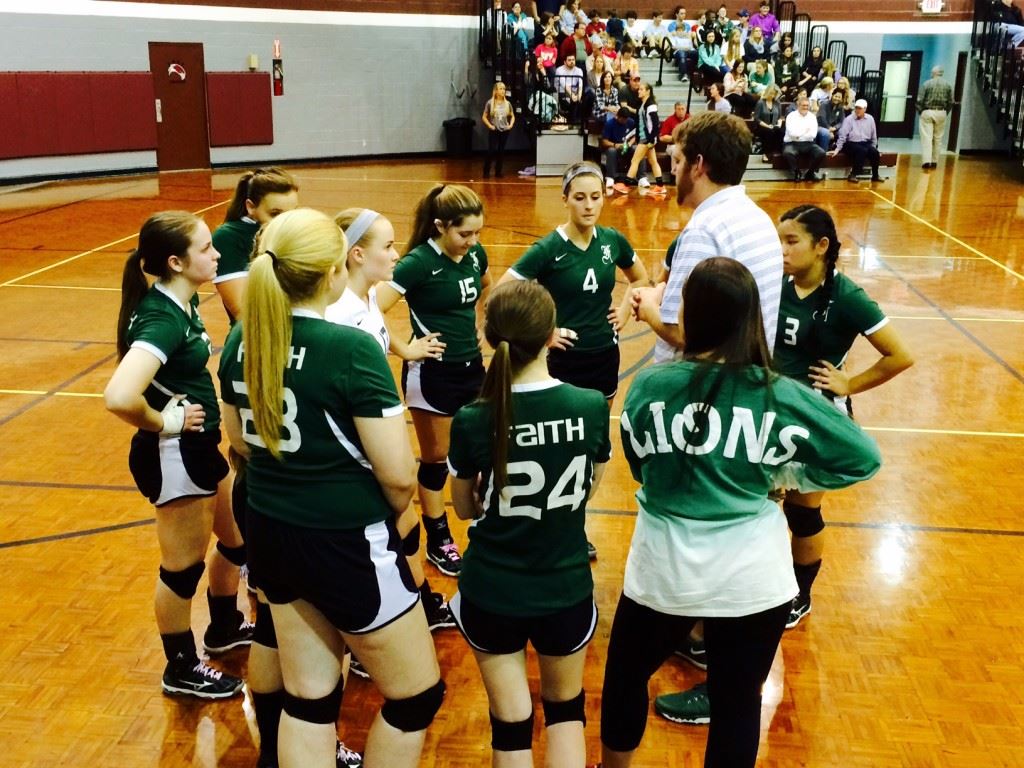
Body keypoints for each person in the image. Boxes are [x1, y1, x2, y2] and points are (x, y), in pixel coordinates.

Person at [601, 257, 882, 767]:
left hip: (664, 570)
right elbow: (862, 457)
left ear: (694, 314)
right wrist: (787, 477)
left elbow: (641, 468)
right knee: (736, 705)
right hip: (753, 578)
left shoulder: (649, 387)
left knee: (625, 678)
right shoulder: (780, 393)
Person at [218, 208, 444, 768]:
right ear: (334, 272)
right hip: (347, 540)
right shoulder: (350, 349)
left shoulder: (243, 337)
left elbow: (238, 443)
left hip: (271, 528)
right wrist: (398, 520)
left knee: (310, 698)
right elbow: (397, 474)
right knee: (417, 695)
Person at [447, 280, 611, 768]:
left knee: (511, 722)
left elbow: (463, 509)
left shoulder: (473, 418)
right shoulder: (589, 405)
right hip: (564, 586)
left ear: (488, 336)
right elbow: (588, 488)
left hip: (492, 590)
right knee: (566, 712)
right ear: (550, 337)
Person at [103, 211, 244, 700]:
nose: (217, 254)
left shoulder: (181, 303)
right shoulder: (163, 319)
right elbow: (120, 395)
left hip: (198, 446)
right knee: (181, 569)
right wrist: (167, 421)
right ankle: (180, 667)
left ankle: (224, 627)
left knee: (237, 538)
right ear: (175, 261)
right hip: (173, 452)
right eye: (207, 249)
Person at [501, 161, 649, 556]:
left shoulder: (612, 241)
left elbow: (642, 280)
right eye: (580, 197)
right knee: (557, 444)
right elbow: (502, 295)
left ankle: (573, 522)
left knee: (593, 444)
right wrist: (544, 332)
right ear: (565, 199)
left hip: (603, 356)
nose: (588, 206)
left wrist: (627, 306)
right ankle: (540, 521)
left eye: (596, 197)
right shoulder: (548, 249)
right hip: (560, 364)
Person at [774, 205, 913, 628]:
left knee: (800, 512)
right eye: (779, 240)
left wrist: (849, 384)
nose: (781, 250)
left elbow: (900, 355)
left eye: (791, 241)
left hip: (816, 417)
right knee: (760, 505)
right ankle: (764, 586)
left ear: (821, 247)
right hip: (772, 409)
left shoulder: (846, 296)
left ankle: (800, 595)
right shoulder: (774, 284)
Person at [325, 208, 455, 637]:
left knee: (404, 521)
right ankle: (382, 621)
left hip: (380, 429)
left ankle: (416, 596)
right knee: (391, 524)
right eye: (389, 246)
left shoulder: (364, 296)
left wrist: (407, 349)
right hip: (358, 441)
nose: (397, 253)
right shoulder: (338, 311)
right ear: (358, 254)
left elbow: (379, 333)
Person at [375, 185, 491, 578]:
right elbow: (368, 308)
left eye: (477, 233)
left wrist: (480, 322)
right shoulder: (419, 263)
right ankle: (439, 537)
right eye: (464, 234)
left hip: (472, 367)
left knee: (479, 448)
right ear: (440, 226)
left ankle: (482, 525)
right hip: (433, 372)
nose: (472, 242)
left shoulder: (474, 254)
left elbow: (486, 287)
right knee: (437, 457)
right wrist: (406, 349)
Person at [631, 109, 783, 373]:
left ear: (699, 164)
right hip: (742, 382)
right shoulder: (758, 218)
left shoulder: (704, 231)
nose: (674, 170)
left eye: (678, 160)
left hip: (700, 393)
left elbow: (684, 334)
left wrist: (647, 307)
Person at [213, 167, 299, 325]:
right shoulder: (228, 237)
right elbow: (242, 311)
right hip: (255, 337)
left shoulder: (295, 231)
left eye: (292, 213)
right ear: (251, 207)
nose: (285, 222)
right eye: (275, 214)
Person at [616, 81, 670, 196]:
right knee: (653, 162)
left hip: (646, 139)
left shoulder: (650, 105)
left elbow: (655, 125)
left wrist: (651, 139)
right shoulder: (642, 105)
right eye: (639, 89)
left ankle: (626, 185)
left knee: (634, 161)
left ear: (648, 92)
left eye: (641, 89)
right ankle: (660, 186)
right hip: (645, 138)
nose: (639, 91)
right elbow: (641, 124)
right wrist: (631, 135)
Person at [830, 98, 882, 182]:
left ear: (865, 109)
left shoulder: (870, 119)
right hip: (850, 143)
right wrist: (837, 149)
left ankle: (875, 175)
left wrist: (874, 147)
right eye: (856, 108)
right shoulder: (849, 119)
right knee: (861, 151)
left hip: (865, 142)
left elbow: (874, 136)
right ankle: (853, 174)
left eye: (860, 108)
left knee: (874, 152)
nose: (857, 110)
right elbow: (842, 135)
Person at [917, 65, 954, 169]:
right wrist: (945, 112)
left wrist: (921, 111)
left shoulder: (927, 84)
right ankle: (934, 161)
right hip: (941, 112)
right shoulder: (948, 85)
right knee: (938, 138)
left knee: (927, 138)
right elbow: (951, 101)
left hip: (928, 111)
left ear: (934, 73)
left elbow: (920, 100)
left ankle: (926, 161)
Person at [783, 96, 826, 182]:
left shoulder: (812, 117)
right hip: (792, 143)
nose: (805, 107)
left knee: (821, 153)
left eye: (807, 105)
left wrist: (799, 134)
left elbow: (813, 135)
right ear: (798, 105)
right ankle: (796, 172)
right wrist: (805, 131)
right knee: (787, 153)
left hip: (808, 143)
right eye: (803, 105)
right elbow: (792, 134)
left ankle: (810, 173)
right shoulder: (791, 116)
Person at [482, 81, 516, 178]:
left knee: (501, 151)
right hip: (494, 130)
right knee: (491, 150)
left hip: (504, 130)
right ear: (496, 91)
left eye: (504, 89)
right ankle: (486, 171)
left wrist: (511, 125)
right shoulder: (490, 103)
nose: (503, 91)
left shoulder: (508, 104)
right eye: (501, 89)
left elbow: (512, 116)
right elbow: (484, 117)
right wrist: (490, 126)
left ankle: (498, 171)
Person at [601, 107, 638, 188]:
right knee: (611, 151)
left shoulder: (631, 122)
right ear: (618, 116)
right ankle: (610, 177)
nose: (624, 121)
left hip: (627, 146)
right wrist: (615, 145)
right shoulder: (609, 124)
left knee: (637, 149)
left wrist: (630, 143)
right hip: (614, 146)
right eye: (622, 119)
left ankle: (640, 177)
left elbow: (635, 135)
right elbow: (604, 141)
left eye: (626, 119)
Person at [753, 84, 784, 158]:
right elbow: (756, 119)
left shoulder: (777, 103)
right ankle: (766, 153)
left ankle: (777, 153)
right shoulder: (761, 103)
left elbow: (780, 117)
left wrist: (779, 125)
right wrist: (768, 126)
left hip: (774, 125)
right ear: (767, 92)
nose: (772, 96)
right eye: (771, 93)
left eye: (774, 94)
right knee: (768, 132)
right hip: (762, 126)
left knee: (780, 131)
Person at [555, 53, 586, 120]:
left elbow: (580, 85)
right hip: (562, 93)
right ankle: (574, 123)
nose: (572, 62)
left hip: (575, 93)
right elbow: (564, 85)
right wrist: (572, 96)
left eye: (573, 60)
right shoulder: (559, 70)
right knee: (573, 101)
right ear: (565, 62)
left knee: (587, 95)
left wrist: (579, 96)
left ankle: (577, 122)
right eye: (569, 60)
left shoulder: (579, 70)